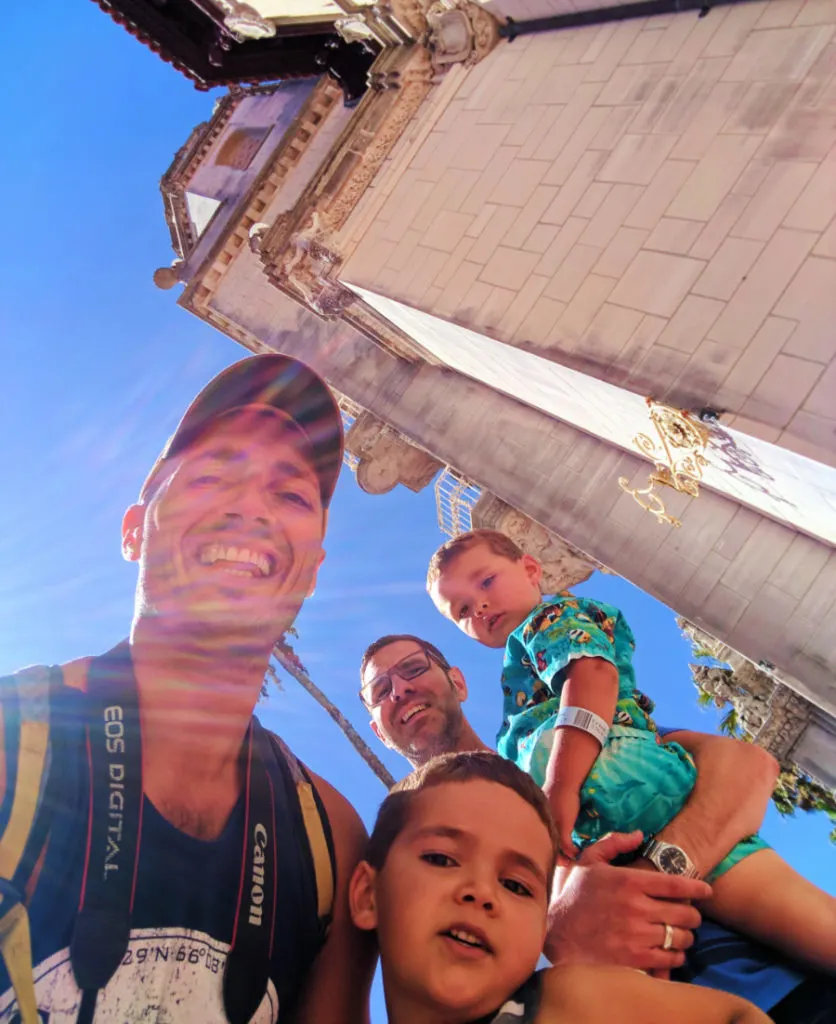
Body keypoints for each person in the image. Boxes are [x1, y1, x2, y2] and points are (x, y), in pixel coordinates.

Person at [0, 355, 375, 1024]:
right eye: (211, 475)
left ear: (313, 568)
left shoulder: (333, 841)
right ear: (133, 528)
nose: (250, 508)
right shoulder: (11, 742)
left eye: (290, 495)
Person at [360, 632, 836, 1022]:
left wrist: (660, 871)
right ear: (378, 731)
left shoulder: (554, 744)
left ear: (457, 682)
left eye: (414, 668)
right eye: (380, 691)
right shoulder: (399, 854)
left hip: (795, 980)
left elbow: (745, 768)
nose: (399, 690)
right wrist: (557, 931)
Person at [426, 529, 836, 975]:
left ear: (530, 570)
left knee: (811, 928)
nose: (479, 607)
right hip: (617, 840)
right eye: (462, 611)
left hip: (657, 805)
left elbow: (593, 675)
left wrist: (558, 788)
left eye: (485, 582)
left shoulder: (548, 622)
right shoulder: (519, 701)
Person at [349, 750, 769, 1023]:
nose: (481, 892)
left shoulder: (563, 1004)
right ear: (369, 895)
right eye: (441, 858)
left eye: (516, 886)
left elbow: (737, 1017)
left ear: (543, 930)